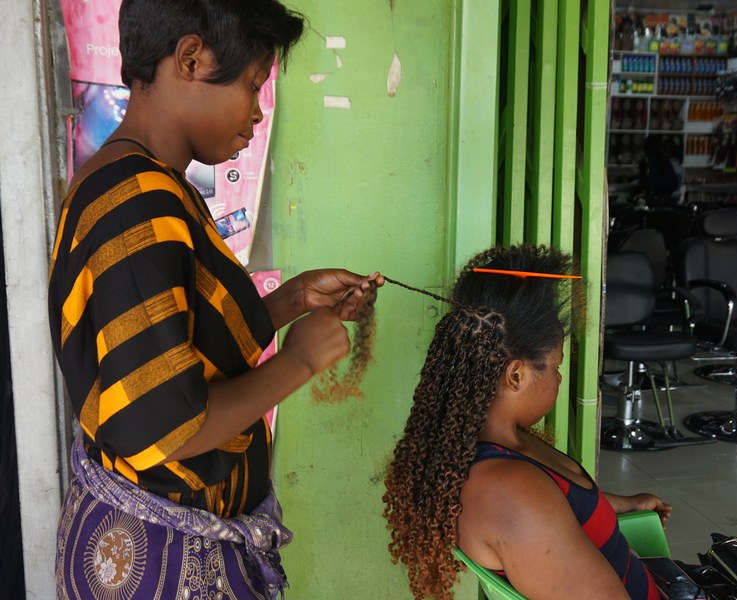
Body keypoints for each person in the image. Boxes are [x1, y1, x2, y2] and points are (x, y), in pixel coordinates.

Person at [48, 1, 382, 597]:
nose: (257, 113)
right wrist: (299, 361)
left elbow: (174, 342)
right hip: (160, 562)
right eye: (253, 86)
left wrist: (296, 300)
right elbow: (169, 425)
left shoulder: (140, 183)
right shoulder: (137, 201)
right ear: (191, 59)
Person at [382, 245, 671, 600]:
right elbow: (540, 510)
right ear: (516, 374)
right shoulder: (508, 492)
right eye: (556, 365)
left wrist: (626, 504)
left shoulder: (500, 445)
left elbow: (560, 504)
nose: (560, 379)